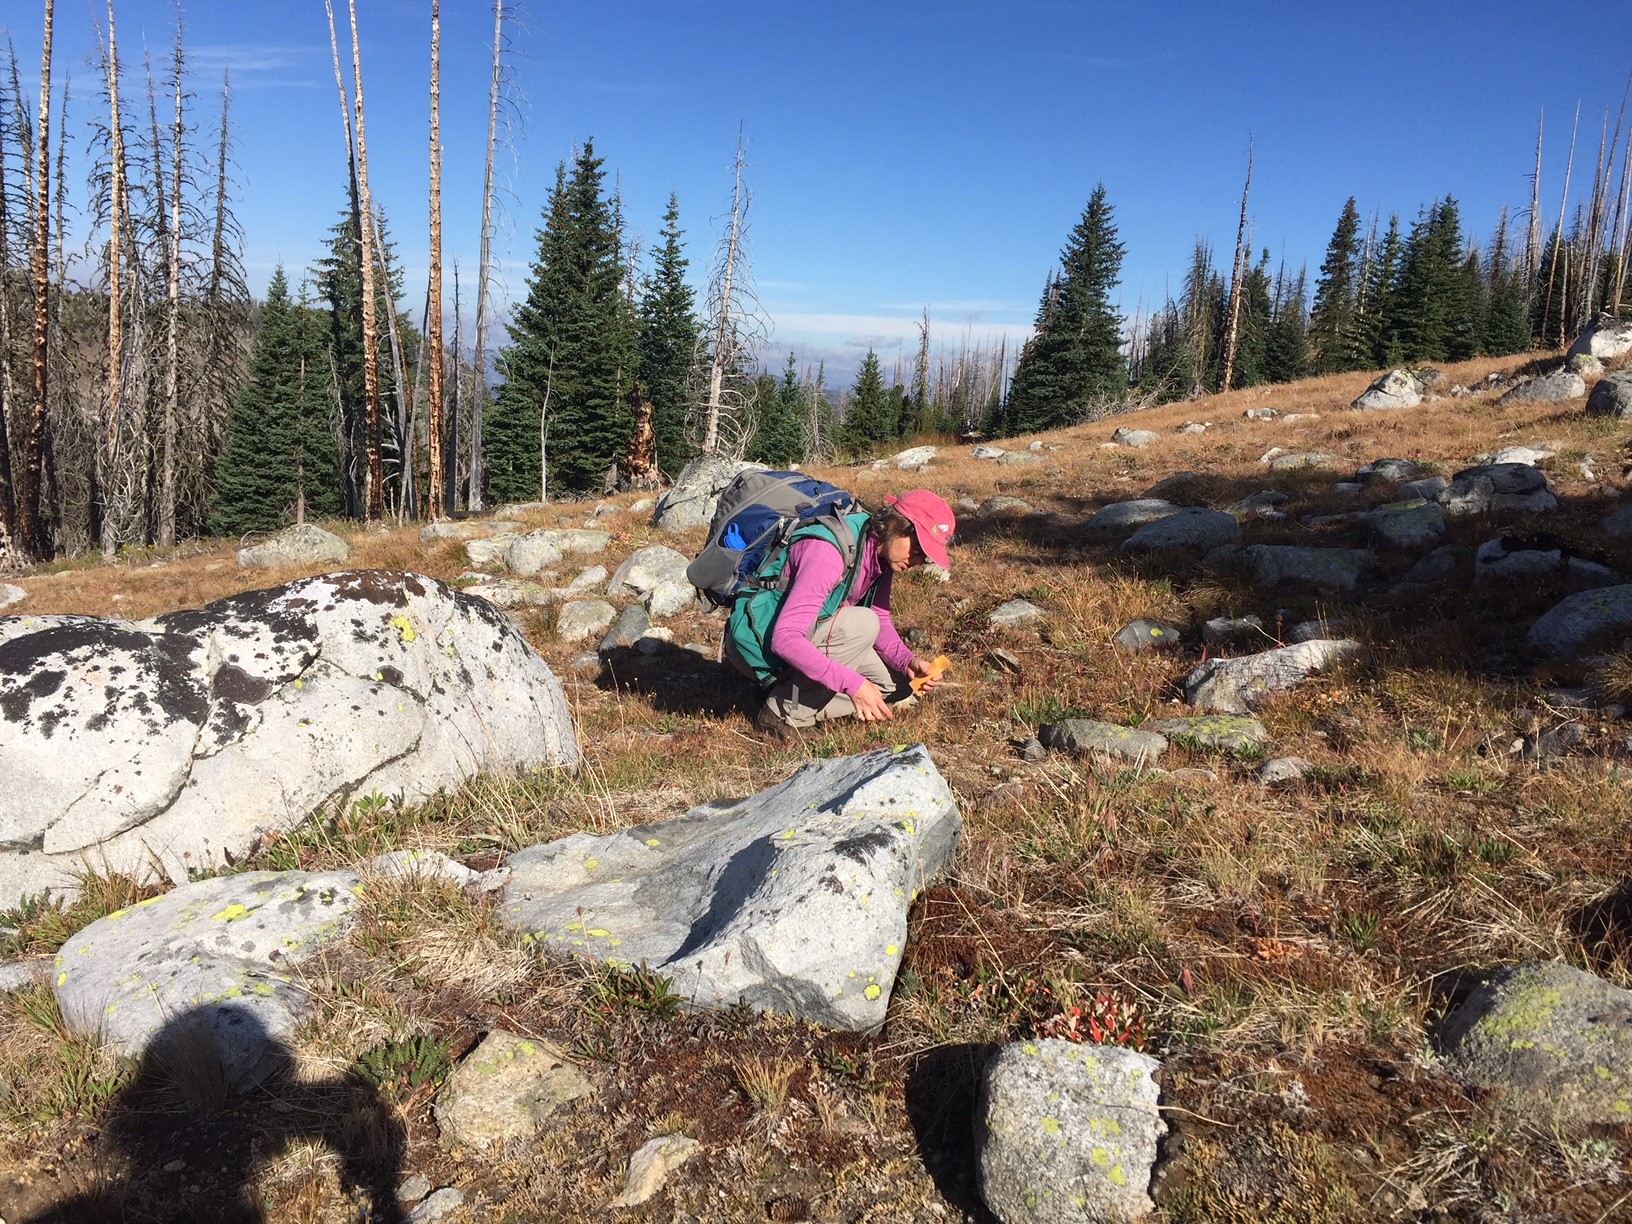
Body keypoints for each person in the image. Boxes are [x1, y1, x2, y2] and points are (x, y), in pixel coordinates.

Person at [723, 489, 955, 740]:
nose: (919, 560)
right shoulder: (827, 552)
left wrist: (908, 661)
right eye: (918, 549)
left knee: (897, 685)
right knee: (863, 623)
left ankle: (788, 692)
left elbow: (881, 617)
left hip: (812, 630)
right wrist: (854, 686)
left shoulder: (881, 554)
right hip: (758, 643)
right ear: (896, 525)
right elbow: (785, 639)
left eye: (926, 557)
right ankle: (781, 712)